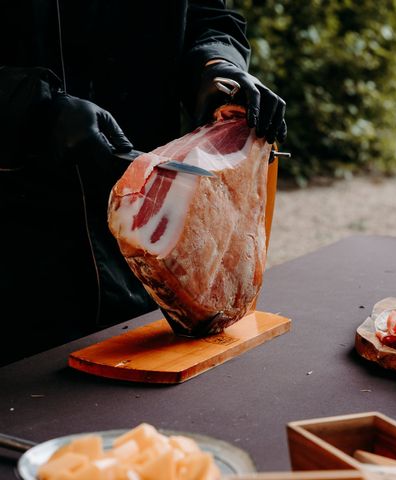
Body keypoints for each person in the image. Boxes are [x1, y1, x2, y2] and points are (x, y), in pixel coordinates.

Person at [0, 1, 287, 365]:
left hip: (151, 226)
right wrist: (32, 110)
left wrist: (217, 67)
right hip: (20, 256)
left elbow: (209, 16)